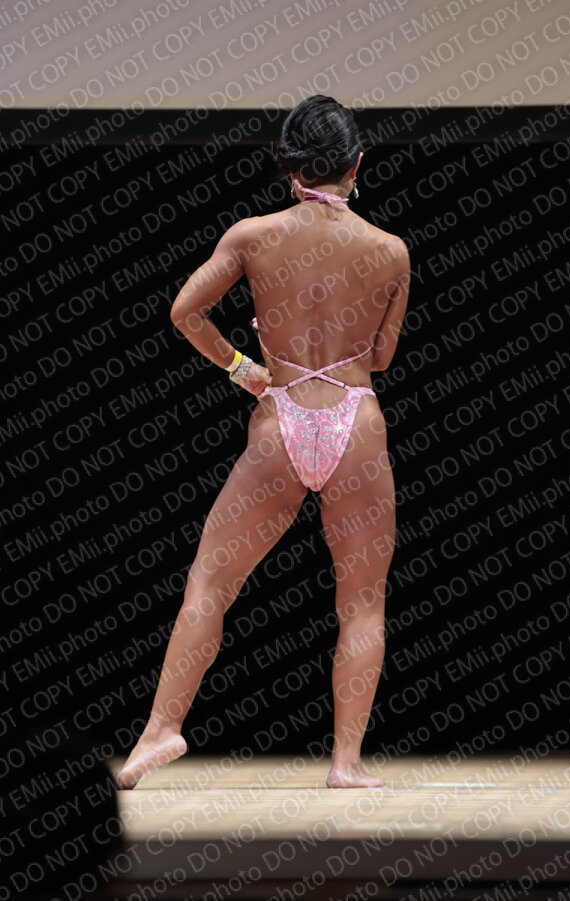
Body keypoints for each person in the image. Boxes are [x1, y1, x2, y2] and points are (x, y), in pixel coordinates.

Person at [115, 94, 410, 790]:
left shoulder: (252, 234)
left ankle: (160, 729)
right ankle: (345, 763)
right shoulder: (390, 251)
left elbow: (185, 312)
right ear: (356, 164)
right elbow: (383, 356)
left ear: (289, 164)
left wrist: (244, 366)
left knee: (211, 583)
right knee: (362, 603)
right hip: (356, 422)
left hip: (280, 420)